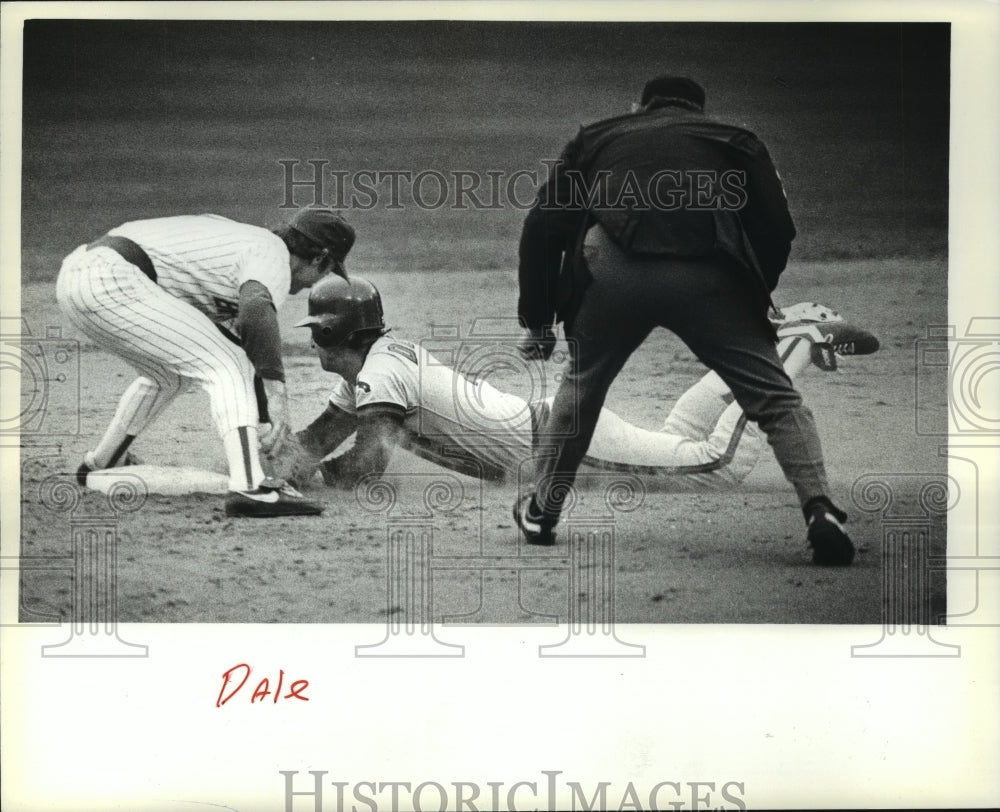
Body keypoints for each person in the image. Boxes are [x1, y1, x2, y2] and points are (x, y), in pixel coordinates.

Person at [513, 74, 856, 565]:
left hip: (614, 271)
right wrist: (755, 292)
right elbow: (778, 227)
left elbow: (544, 224)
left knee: (582, 386)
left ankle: (543, 511)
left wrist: (538, 321)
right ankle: (820, 508)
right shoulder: (736, 138)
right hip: (708, 273)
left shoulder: (598, 136)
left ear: (640, 105)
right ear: (699, 111)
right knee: (775, 397)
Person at [286, 276, 877, 506]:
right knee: (680, 438)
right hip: (562, 429)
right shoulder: (373, 370)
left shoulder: (382, 374)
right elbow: (319, 440)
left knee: (715, 466)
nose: (312, 345)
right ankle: (775, 334)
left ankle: (797, 337)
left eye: (317, 333)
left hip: (568, 442)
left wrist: (322, 477)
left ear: (336, 333)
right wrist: (280, 461)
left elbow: (369, 456)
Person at [57, 206, 354, 517]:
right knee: (230, 363)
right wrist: (277, 395)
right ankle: (252, 487)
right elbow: (255, 313)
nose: (313, 283)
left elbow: (244, 336)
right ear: (319, 258)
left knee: (171, 374)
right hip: (112, 277)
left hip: (84, 277)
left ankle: (104, 461)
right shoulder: (273, 254)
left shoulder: (246, 248)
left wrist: (263, 421)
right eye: (328, 270)